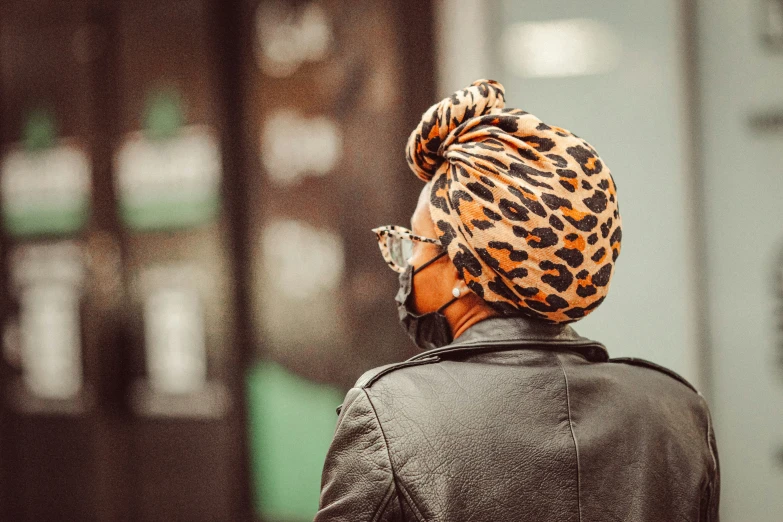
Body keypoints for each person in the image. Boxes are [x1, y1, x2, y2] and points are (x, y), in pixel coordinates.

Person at [314, 80, 720, 521]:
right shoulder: (676, 412)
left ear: (464, 271)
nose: (407, 266)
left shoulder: (388, 415)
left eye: (415, 244)